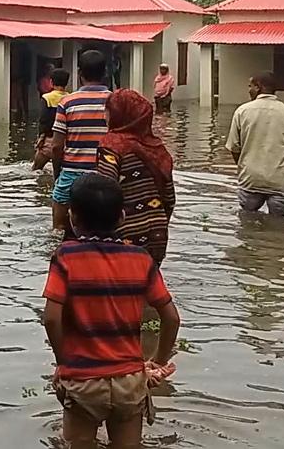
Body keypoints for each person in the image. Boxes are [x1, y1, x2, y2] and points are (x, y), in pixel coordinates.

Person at [43, 173, 181, 448]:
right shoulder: (141, 259)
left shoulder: (66, 256)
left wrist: (64, 363)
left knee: (77, 442)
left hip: (84, 380)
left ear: (73, 218)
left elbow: (51, 318)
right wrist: (156, 362)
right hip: (129, 381)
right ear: (121, 218)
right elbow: (171, 318)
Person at [95, 90, 176, 264]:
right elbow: (169, 199)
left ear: (118, 114)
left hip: (123, 233)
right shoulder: (158, 149)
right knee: (147, 284)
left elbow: (105, 196)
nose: (105, 115)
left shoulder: (112, 146)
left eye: (107, 110)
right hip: (158, 233)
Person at [226, 71, 284, 217]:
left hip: (251, 179)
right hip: (279, 181)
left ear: (258, 87)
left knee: (247, 221)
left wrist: (243, 166)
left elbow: (234, 147)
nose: (248, 90)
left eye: (250, 86)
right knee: (278, 225)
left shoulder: (242, 112)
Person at [50, 50, 112, 232]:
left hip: (72, 173)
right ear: (105, 73)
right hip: (106, 175)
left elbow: (56, 147)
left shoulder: (67, 102)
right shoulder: (115, 101)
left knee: (59, 230)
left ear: (80, 74)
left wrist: (57, 176)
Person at [32, 68, 70, 175]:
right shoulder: (70, 98)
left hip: (49, 139)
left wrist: (41, 137)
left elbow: (43, 120)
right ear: (66, 83)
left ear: (51, 82)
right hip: (65, 141)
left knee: (36, 169)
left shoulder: (47, 98)